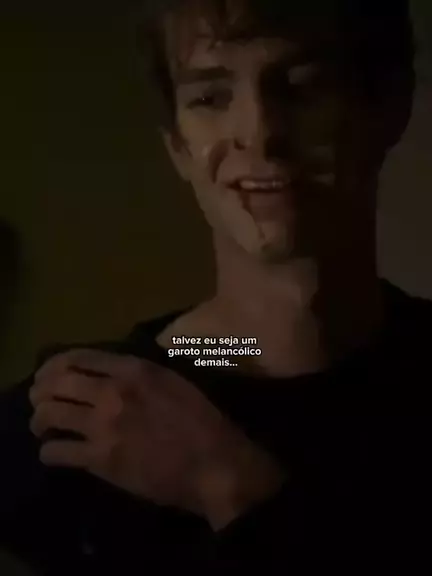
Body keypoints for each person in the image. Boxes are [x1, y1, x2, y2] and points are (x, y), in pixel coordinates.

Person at [0, 0, 430, 574]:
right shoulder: (75, 427)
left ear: (391, 108)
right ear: (177, 145)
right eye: (210, 98)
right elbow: (220, 352)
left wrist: (227, 484)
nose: (260, 134)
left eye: (303, 87)